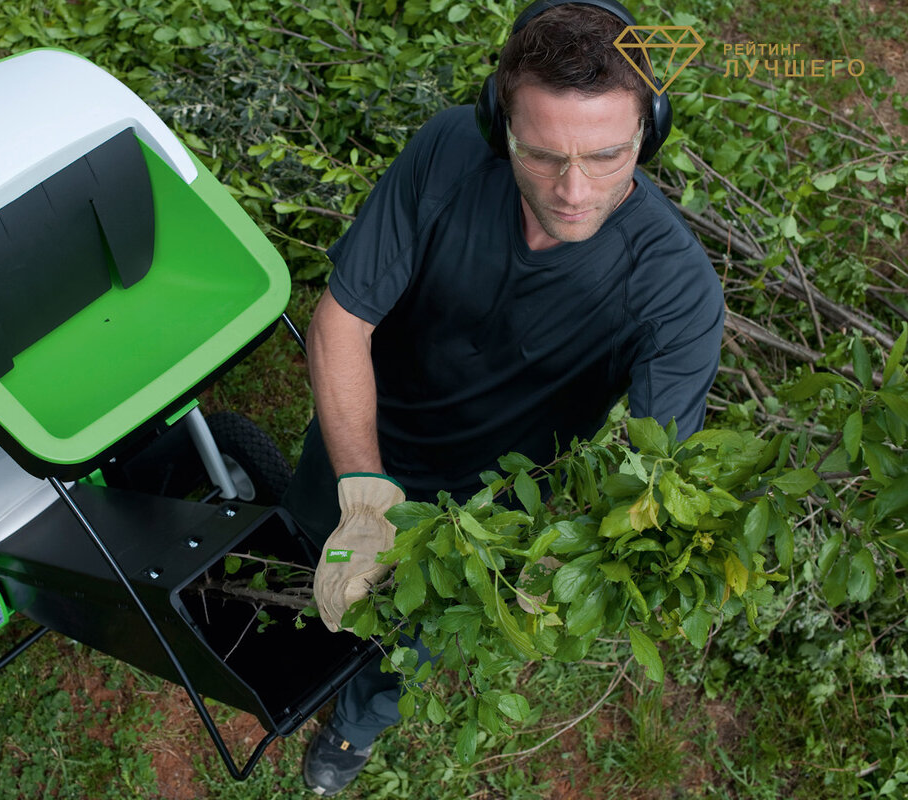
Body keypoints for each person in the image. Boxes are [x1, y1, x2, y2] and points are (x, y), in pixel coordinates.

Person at [283, 0, 725, 795]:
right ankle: (295, 634)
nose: (574, 190)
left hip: (486, 518)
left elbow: (651, 484)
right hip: (360, 440)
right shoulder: (450, 150)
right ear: (499, 124)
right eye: (542, 154)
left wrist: (552, 562)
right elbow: (343, 320)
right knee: (305, 542)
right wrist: (361, 494)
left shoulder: (675, 291)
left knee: (416, 639)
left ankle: (357, 723)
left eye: (607, 154)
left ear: (649, 133)